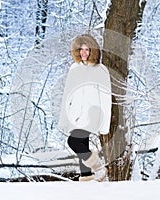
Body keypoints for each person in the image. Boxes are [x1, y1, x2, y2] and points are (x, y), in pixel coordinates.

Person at [58, 34, 112, 181]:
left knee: (73, 142)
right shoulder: (74, 69)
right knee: (82, 143)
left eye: (87, 50)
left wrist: (104, 124)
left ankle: (98, 167)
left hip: (92, 114)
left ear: (92, 51)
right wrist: (64, 118)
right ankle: (87, 178)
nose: (83, 53)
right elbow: (67, 95)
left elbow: (106, 98)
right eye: (81, 50)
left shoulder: (101, 70)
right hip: (75, 115)